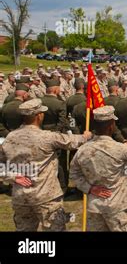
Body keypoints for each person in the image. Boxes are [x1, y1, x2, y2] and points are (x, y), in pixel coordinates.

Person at [0, 99, 91, 231]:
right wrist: (85, 136)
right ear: (39, 116)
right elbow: (73, 142)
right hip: (46, 197)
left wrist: (13, 177)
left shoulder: (10, 138)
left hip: (21, 197)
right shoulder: (47, 137)